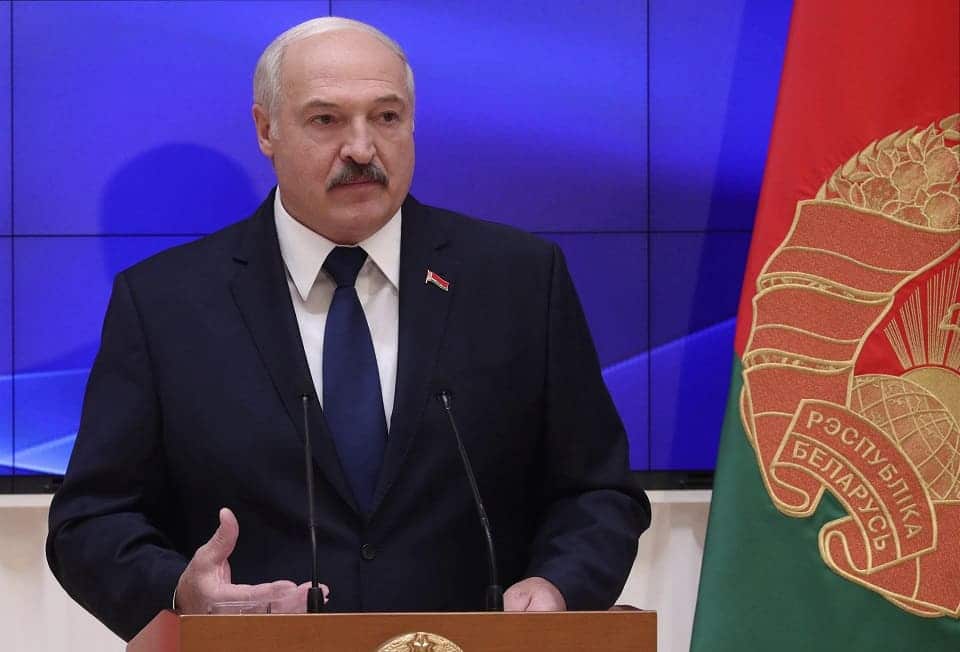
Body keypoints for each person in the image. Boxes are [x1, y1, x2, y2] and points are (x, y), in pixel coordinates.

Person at [46, 17, 650, 642]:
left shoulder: (518, 279)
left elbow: (598, 492)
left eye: (386, 117)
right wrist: (179, 592)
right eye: (326, 120)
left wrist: (558, 585)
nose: (362, 149)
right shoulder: (165, 303)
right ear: (266, 130)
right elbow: (90, 519)